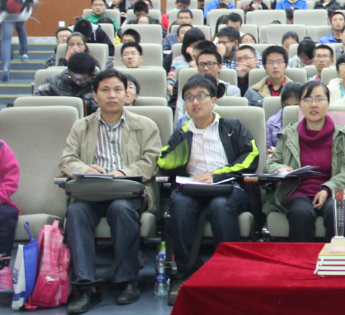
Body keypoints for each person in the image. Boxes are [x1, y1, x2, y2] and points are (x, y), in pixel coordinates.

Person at [60, 69, 161, 313]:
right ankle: (85, 286)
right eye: (105, 90)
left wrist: (123, 172)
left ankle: (127, 281)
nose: (112, 95)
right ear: (95, 96)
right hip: (92, 191)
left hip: (128, 191)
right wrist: (85, 169)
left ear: (127, 93)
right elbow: (67, 160)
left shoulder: (145, 125)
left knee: (121, 209)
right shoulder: (81, 126)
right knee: (76, 211)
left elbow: (152, 161)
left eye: (117, 89)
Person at [159, 74, 260, 305]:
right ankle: (186, 273)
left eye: (201, 96)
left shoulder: (232, 126)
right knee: (180, 204)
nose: (195, 102)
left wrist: (217, 175)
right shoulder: (182, 132)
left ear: (213, 100)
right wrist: (184, 141)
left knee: (220, 206)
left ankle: (228, 273)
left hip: (228, 188)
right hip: (192, 189)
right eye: (189, 97)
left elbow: (251, 156)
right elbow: (163, 162)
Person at [264, 81, 345, 242]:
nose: (313, 104)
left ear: (328, 104)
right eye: (307, 99)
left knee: (337, 208)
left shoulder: (342, 135)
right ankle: (302, 257)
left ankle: (335, 256)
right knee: (300, 212)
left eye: (319, 99)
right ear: (300, 105)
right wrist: (280, 168)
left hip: (334, 191)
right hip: (297, 191)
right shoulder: (288, 134)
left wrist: (327, 190)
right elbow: (271, 164)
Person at [174, 48, 241, 128]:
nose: (205, 68)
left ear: (219, 67)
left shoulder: (231, 90)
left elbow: (232, 116)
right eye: (202, 64)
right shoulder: (188, 92)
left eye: (210, 64)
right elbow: (181, 118)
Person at [0, 137, 19, 294]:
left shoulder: (1, 146)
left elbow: (10, 181)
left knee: (5, 216)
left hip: (0, 203)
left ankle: (3, 269)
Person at [167, 28, 206, 94]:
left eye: (200, 43)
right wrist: (174, 93)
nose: (197, 47)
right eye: (193, 44)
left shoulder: (208, 60)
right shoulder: (178, 60)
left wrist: (194, 58)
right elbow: (170, 81)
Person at [265, 82, 302, 149]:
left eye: (296, 106)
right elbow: (267, 148)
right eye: (287, 106)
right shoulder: (271, 123)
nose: (291, 110)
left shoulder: (312, 122)